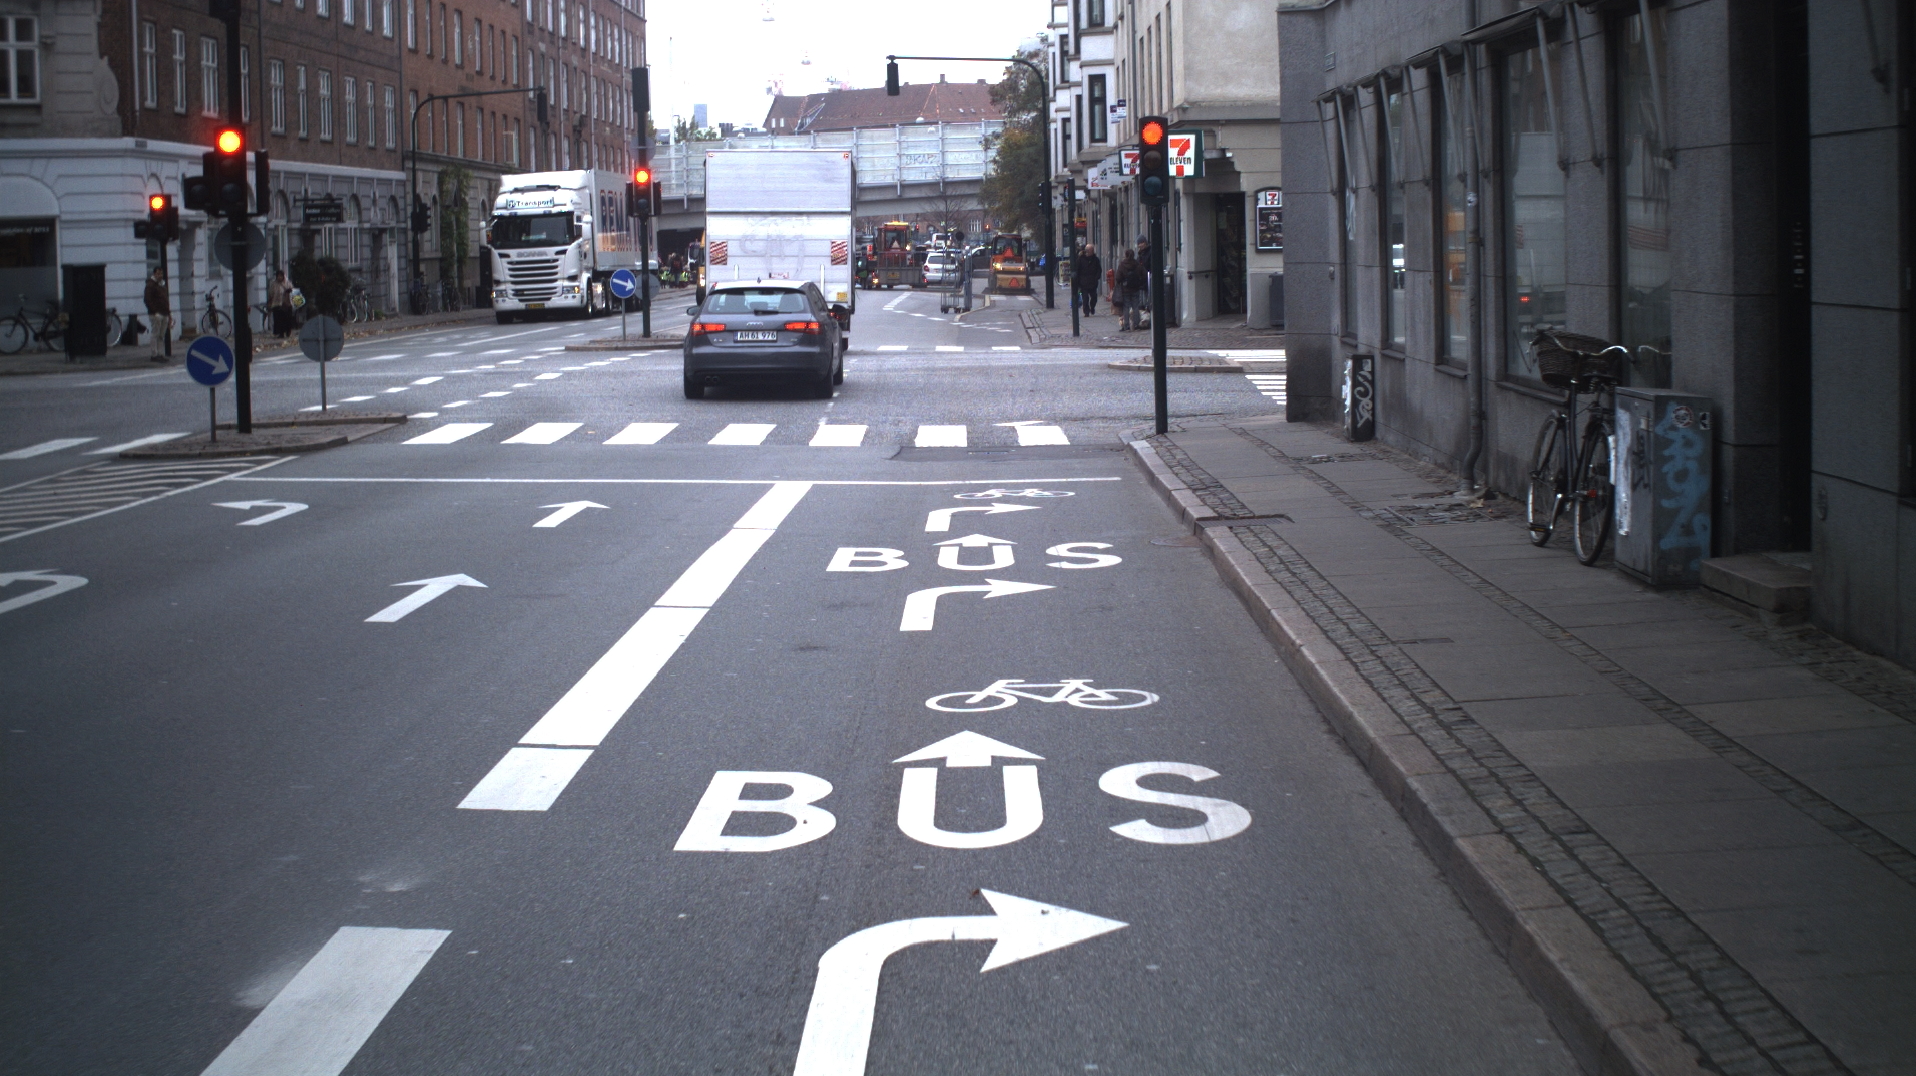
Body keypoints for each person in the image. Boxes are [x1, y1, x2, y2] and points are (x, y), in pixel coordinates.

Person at [143, 269, 171, 362]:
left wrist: (168, 313)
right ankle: (154, 354)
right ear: (154, 274)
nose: (160, 275)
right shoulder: (150, 285)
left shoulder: (162, 285)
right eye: (158, 273)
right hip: (156, 314)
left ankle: (159, 353)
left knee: (161, 335)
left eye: (161, 273)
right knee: (155, 333)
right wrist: (154, 311)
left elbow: (165, 300)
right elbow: (147, 299)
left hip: (164, 312)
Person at [1116, 250, 1146, 331]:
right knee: (1135, 306)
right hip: (1135, 288)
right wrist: (1139, 283)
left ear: (1125, 255)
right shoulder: (1137, 264)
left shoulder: (1122, 265)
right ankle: (1136, 324)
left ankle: (1126, 325)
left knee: (1126, 307)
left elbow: (1118, 277)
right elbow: (1144, 275)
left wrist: (1122, 281)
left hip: (1125, 289)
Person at [1073, 243, 1103, 317]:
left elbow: (1099, 269)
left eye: (1091, 250)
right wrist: (1078, 281)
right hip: (1083, 282)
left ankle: (1092, 307)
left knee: (1094, 297)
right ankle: (1086, 311)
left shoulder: (1095, 259)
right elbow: (1077, 270)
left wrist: (1097, 277)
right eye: (1089, 250)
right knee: (1085, 298)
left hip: (1093, 282)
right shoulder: (1081, 259)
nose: (1090, 252)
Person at [268, 269, 295, 339]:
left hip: (287, 304)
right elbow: (271, 293)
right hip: (276, 304)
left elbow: (293, 291)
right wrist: (270, 302)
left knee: (287, 319)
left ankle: (288, 331)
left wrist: (289, 291)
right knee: (278, 320)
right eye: (278, 276)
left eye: (281, 276)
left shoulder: (288, 283)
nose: (279, 277)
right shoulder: (274, 284)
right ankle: (280, 333)